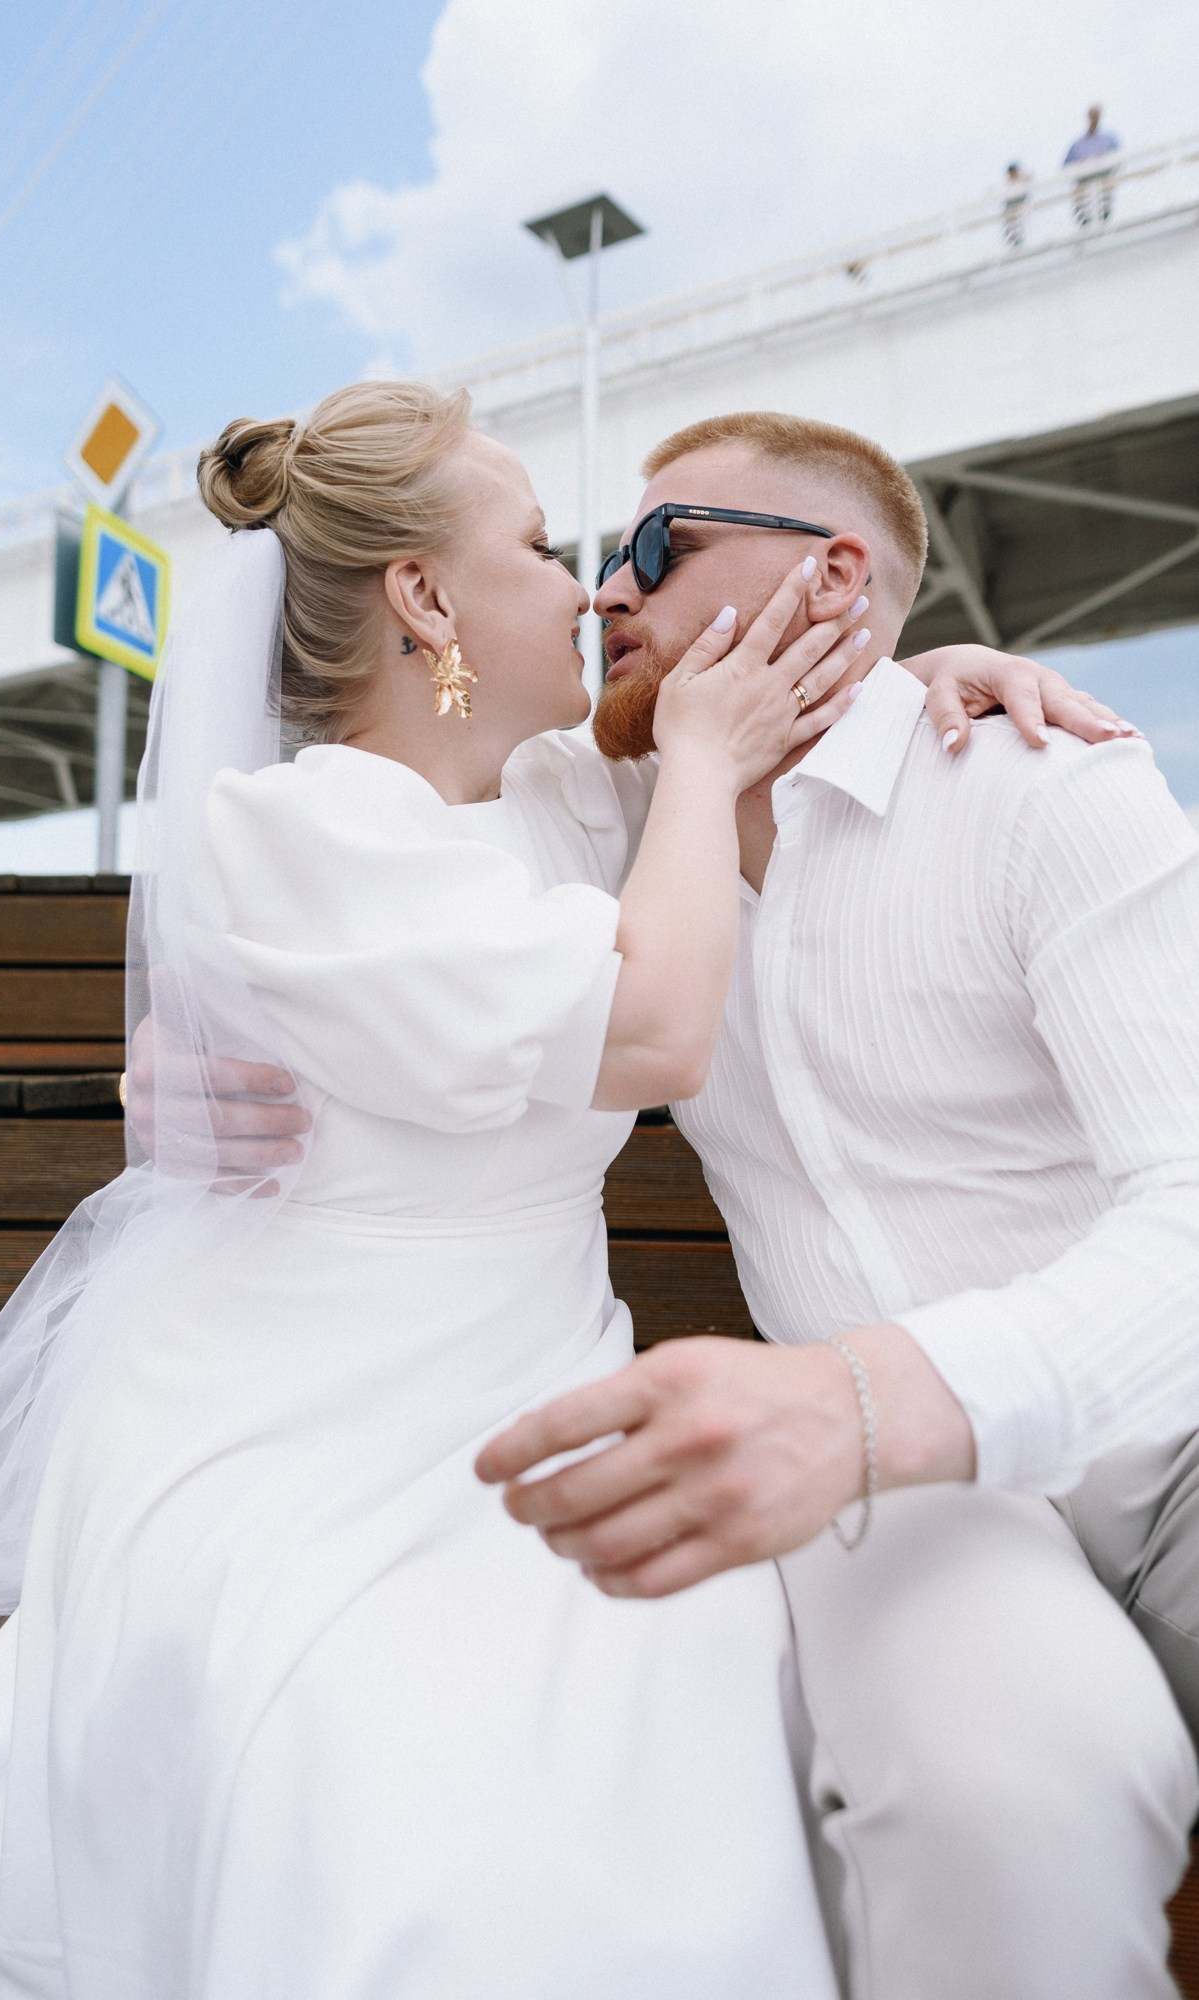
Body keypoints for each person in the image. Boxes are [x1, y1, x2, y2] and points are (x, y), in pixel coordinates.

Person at [0, 380, 899, 2000]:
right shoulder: (293, 827)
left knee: (668, 1669)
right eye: (541, 544)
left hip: (530, 1365)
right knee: (390, 1759)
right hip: (310, 1410)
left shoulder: (561, 798)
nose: (587, 588)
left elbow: (832, 704)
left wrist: (963, 674)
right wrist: (706, 768)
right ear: (425, 597)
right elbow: (651, 1028)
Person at [472, 409, 1199, 1998]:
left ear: (834, 579)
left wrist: (877, 1401)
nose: (604, 591)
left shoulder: (1037, 782)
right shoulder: (613, 840)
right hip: (907, 1506)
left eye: (656, 548)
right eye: (598, 556)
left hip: (1159, 1442)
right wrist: (206, 1040)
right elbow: (363, 830)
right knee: (1005, 1798)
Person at [1066, 103, 1121, 225]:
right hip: (1083, 191)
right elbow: (1065, 168)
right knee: (1085, 220)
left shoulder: (1108, 139)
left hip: (1103, 188)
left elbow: (1119, 161)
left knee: (1104, 218)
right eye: (1092, 116)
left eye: (1097, 116)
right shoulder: (1077, 144)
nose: (1094, 119)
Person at [1002, 159, 1031, 248]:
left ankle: (1019, 246)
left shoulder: (1022, 182)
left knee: (1020, 232)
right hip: (1011, 215)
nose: (1012, 174)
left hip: (1020, 212)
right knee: (1013, 234)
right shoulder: (1007, 186)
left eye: (1014, 172)